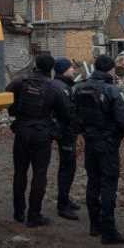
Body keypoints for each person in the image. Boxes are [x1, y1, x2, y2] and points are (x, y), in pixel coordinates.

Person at [6, 53, 71, 227]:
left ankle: (19, 212)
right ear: (50, 69)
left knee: (20, 172)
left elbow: (6, 99)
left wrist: (16, 115)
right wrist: (55, 131)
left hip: (22, 131)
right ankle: (34, 216)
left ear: (35, 64)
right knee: (39, 174)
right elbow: (65, 114)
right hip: (42, 134)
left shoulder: (20, 82)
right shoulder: (54, 88)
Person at [73, 54, 124, 244]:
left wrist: (86, 133)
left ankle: (94, 225)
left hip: (90, 143)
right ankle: (108, 231)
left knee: (93, 181)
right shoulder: (112, 91)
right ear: (110, 70)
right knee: (108, 185)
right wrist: (114, 136)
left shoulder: (78, 88)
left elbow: (73, 117)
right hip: (107, 145)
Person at [51, 57, 81, 220]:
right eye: (71, 68)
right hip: (65, 133)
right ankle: (63, 205)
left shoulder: (62, 85)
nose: (73, 70)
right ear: (64, 69)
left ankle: (65, 198)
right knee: (67, 168)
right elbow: (68, 112)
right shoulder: (61, 88)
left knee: (69, 167)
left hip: (66, 132)